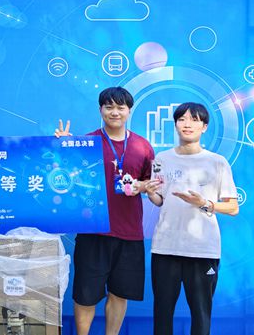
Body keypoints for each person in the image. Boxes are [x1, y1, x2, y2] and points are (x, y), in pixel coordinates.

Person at [55, 86, 155, 335]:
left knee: (120, 294)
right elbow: (63, 176)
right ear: (100, 110)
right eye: (109, 107)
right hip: (94, 231)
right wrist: (63, 148)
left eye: (120, 107)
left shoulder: (143, 146)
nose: (115, 112)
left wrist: (142, 186)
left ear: (129, 111)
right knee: (85, 295)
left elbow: (151, 184)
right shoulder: (85, 142)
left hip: (129, 232)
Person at [145, 102, 238, 335]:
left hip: (202, 250)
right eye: (182, 119)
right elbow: (160, 199)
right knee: (162, 313)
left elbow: (233, 207)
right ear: (176, 124)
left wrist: (204, 203)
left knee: (201, 313)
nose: (187, 124)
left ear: (204, 127)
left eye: (194, 120)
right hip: (165, 247)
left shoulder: (217, 162)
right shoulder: (161, 159)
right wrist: (150, 192)